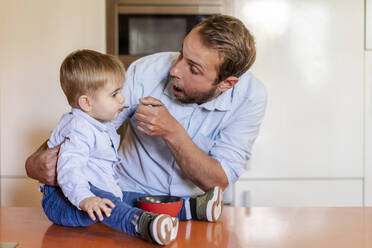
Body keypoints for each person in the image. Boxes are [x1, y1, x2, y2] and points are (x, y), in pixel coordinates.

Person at [26, 15, 266, 222]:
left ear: (226, 84)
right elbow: (89, 125)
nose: (175, 70)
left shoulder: (250, 98)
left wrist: (173, 132)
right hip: (125, 195)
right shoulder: (147, 71)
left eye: (193, 69)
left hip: (192, 209)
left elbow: (218, 182)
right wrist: (36, 162)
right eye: (182, 53)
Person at [42, 49, 180, 245]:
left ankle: (190, 208)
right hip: (62, 201)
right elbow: (69, 169)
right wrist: (85, 198)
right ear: (87, 103)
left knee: (137, 198)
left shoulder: (98, 124)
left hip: (93, 192)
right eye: (115, 94)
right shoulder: (79, 130)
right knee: (111, 204)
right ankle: (143, 225)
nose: (122, 99)